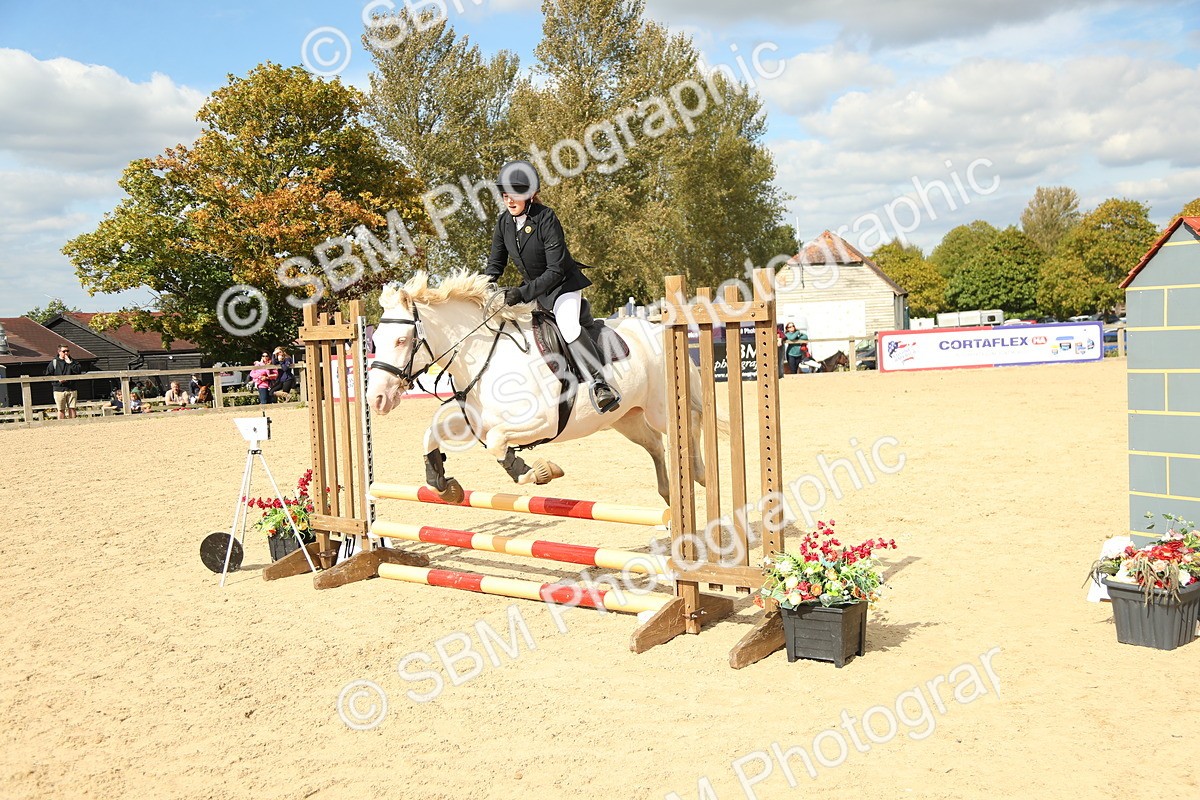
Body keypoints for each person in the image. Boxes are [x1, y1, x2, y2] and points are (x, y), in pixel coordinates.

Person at [485, 160, 620, 413]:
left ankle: (601, 384)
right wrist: (486, 285)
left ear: (529, 195)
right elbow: (495, 262)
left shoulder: (546, 218)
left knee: (568, 326)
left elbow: (555, 270)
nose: (509, 201)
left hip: (563, 286)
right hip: (535, 289)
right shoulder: (504, 223)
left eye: (515, 196)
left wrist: (522, 293)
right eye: (505, 196)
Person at [44, 345, 83, 420]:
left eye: (67, 351)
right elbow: (48, 375)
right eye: (64, 351)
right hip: (59, 390)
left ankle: (73, 424)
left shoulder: (73, 362)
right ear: (59, 352)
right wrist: (58, 380)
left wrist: (70, 363)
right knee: (61, 409)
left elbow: (78, 372)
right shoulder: (54, 362)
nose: (66, 353)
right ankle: (61, 426)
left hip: (71, 388)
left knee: (72, 408)